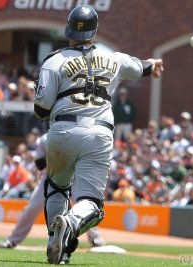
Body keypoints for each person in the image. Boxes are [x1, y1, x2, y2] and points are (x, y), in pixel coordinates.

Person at [33, 5, 164, 264]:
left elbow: (41, 109)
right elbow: (141, 67)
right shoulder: (114, 58)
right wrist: (154, 65)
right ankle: (70, 224)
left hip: (62, 130)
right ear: (95, 31)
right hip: (99, 134)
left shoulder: (54, 60)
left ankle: (54, 242)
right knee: (91, 203)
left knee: (57, 188)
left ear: (69, 28)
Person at [0, 134, 105, 258]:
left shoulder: (79, 133)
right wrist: (57, 158)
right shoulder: (45, 138)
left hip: (75, 178)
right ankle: (13, 240)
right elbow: (39, 164)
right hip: (51, 177)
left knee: (84, 205)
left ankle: (95, 239)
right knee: (31, 208)